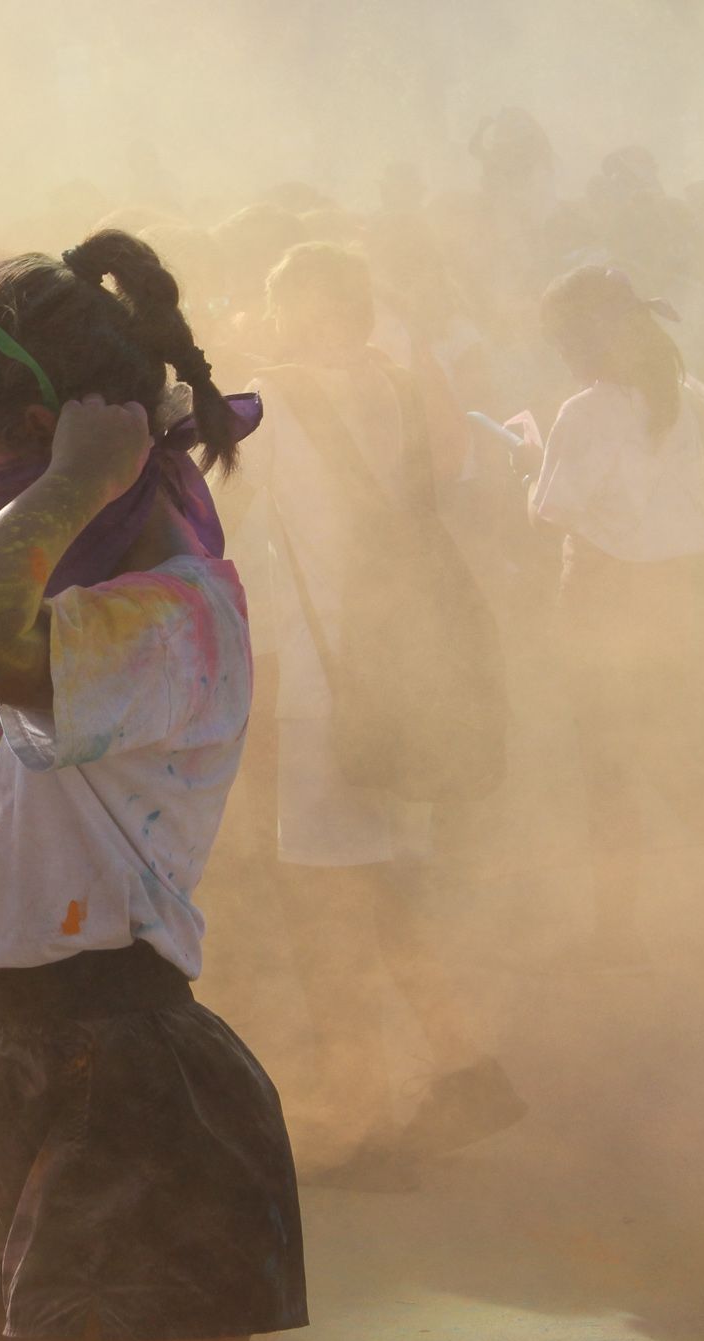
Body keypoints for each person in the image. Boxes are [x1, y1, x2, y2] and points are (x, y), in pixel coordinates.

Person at [0, 229, 305, 1341]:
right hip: (4, 1049)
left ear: (43, 440)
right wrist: (58, 474)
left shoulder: (166, 616)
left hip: (121, 1084)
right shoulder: (78, 567)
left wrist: (74, 475)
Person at [238, 242, 521, 1185]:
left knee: (327, 901)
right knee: (379, 882)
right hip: (399, 678)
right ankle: (461, 1064)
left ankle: (356, 1113)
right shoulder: (399, 388)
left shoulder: (271, 403)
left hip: (326, 689)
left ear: (293, 312)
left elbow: (225, 534)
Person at [526, 264, 704, 960]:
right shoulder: (689, 395)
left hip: (607, 602)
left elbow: (551, 513)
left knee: (608, 772)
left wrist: (528, 467)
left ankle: (617, 936)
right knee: (686, 761)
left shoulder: (588, 410)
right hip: (685, 594)